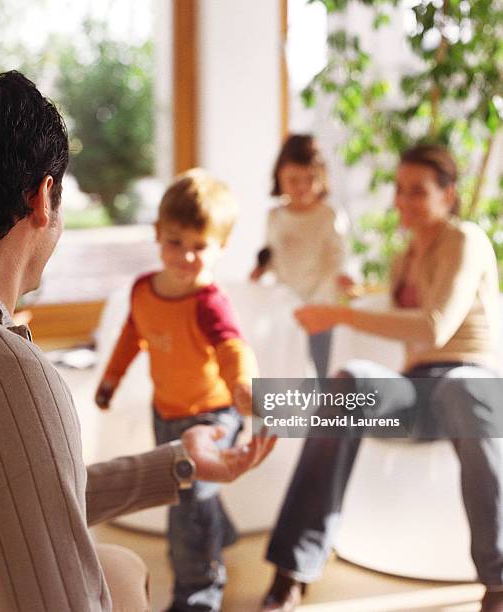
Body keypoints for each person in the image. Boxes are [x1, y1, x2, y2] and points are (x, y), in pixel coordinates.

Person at [0, 71, 276, 612]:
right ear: (42, 198)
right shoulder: (2, 374)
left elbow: (17, 489)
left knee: (121, 564)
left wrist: (176, 465)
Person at [260, 144, 503, 612]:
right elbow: (402, 324)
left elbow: (434, 326)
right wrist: (354, 296)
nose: (403, 201)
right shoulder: (403, 257)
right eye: (399, 190)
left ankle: (497, 582)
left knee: (460, 387)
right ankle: (292, 570)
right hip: (418, 392)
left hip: (474, 382)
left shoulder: (466, 240)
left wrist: (338, 315)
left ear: (448, 194)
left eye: (418, 191)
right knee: (348, 381)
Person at [95, 168, 259, 612]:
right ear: (157, 234)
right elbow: (133, 337)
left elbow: (232, 348)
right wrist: (111, 379)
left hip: (212, 416)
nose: (186, 257)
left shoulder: (209, 303)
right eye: (175, 242)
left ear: (221, 247)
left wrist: (242, 387)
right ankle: (220, 531)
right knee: (188, 493)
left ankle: (198, 593)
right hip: (165, 411)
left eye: (199, 247)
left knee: (186, 503)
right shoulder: (143, 291)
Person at [249, 134, 352, 379]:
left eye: (309, 179)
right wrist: (260, 270)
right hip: (285, 307)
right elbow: (272, 254)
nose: (302, 187)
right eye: (293, 180)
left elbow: (338, 258)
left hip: (320, 304)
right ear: (279, 178)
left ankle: (324, 414)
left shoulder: (329, 215)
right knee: (285, 367)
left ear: (321, 178)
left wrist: (342, 280)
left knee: (322, 369)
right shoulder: (275, 217)